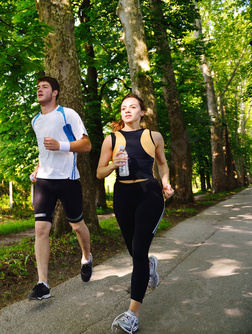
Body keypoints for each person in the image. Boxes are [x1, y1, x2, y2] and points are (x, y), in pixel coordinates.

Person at [96, 93, 174, 333]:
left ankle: (132, 314)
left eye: (132, 107)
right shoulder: (111, 139)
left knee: (138, 251)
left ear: (142, 112)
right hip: (122, 196)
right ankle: (149, 266)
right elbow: (99, 172)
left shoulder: (154, 136)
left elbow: (162, 163)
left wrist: (166, 182)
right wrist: (113, 165)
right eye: (123, 107)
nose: (127, 110)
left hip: (149, 194)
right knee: (134, 250)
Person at [28, 76, 93, 300]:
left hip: (68, 178)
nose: (39, 90)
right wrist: (38, 168)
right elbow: (43, 152)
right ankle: (43, 283)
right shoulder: (35, 120)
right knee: (40, 230)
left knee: (76, 225)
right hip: (44, 182)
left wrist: (60, 146)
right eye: (38, 87)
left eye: (44, 87)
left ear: (55, 92)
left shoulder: (68, 114)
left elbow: (86, 144)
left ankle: (86, 257)